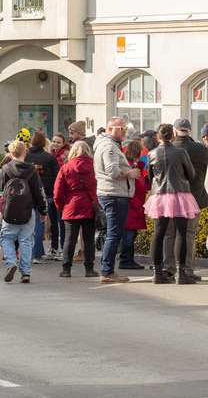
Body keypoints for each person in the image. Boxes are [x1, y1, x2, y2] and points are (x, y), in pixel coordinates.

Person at [145, 123, 199, 285]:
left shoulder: (152, 153)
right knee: (181, 233)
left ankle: (157, 273)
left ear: (159, 137)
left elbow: (150, 176)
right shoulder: (181, 152)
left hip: (160, 194)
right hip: (179, 193)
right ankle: (182, 274)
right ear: (173, 135)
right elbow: (191, 174)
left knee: (159, 233)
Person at [93, 117, 141, 283]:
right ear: (111, 129)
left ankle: (108, 270)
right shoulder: (108, 146)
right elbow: (112, 172)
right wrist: (130, 174)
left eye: (125, 129)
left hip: (114, 194)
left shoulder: (109, 145)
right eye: (121, 128)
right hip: (114, 194)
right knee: (114, 234)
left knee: (114, 234)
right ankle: (107, 271)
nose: (124, 132)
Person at [0, 140, 47, 284]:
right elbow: (39, 191)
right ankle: (25, 272)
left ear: (11, 155)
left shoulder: (6, 169)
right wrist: (43, 210)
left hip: (9, 210)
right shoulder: (32, 170)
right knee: (26, 240)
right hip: (28, 210)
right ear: (25, 153)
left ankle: (11, 262)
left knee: (6, 238)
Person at [167, 118, 208, 283]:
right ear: (190, 131)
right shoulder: (201, 149)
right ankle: (187, 269)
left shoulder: (168, 149)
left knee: (170, 233)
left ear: (175, 132)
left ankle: (169, 269)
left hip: (170, 196)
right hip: (194, 197)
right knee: (189, 234)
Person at [53, 141, 99, 278]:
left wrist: (61, 207)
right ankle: (89, 268)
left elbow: (58, 192)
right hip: (90, 205)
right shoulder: (94, 167)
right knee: (89, 238)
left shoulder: (66, 168)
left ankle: (66, 269)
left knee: (69, 239)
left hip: (71, 206)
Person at [25, 132, 60, 262]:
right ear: (45, 143)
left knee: (29, 224)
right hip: (46, 194)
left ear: (32, 142)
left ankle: (35, 251)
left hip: (29, 193)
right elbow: (57, 176)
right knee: (40, 224)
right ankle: (37, 254)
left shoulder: (26, 156)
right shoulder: (50, 158)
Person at [119, 141, 148, 272]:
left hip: (135, 206)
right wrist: (136, 202)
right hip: (132, 206)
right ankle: (125, 259)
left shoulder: (135, 166)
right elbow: (128, 188)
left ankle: (129, 259)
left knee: (132, 235)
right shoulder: (128, 167)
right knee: (128, 235)